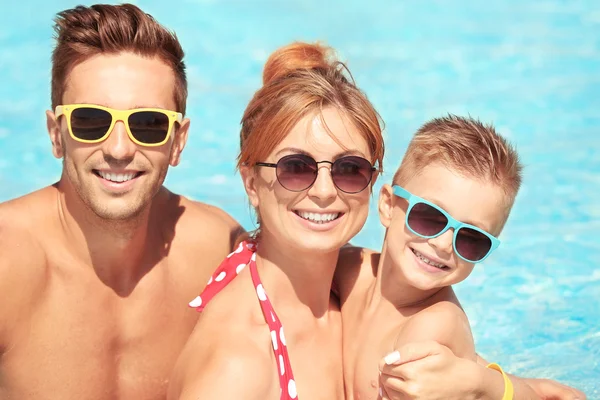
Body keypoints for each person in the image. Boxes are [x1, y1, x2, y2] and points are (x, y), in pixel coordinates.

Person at [0, 4, 242, 399]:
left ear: (178, 141)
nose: (118, 149)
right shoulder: (8, 263)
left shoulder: (219, 253)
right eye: (90, 121)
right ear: (56, 134)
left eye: (148, 124)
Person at [167, 41, 386, 400]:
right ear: (251, 182)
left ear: (372, 181)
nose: (325, 191)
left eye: (350, 169)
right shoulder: (238, 364)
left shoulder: (360, 291)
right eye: (296, 168)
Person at [335, 115, 586, 400]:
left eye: (470, 238)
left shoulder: (435, 325)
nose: (443, 244)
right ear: (388, 206)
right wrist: (511, 385)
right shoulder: (349, 270)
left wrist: (489, 386)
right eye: (429, 217)